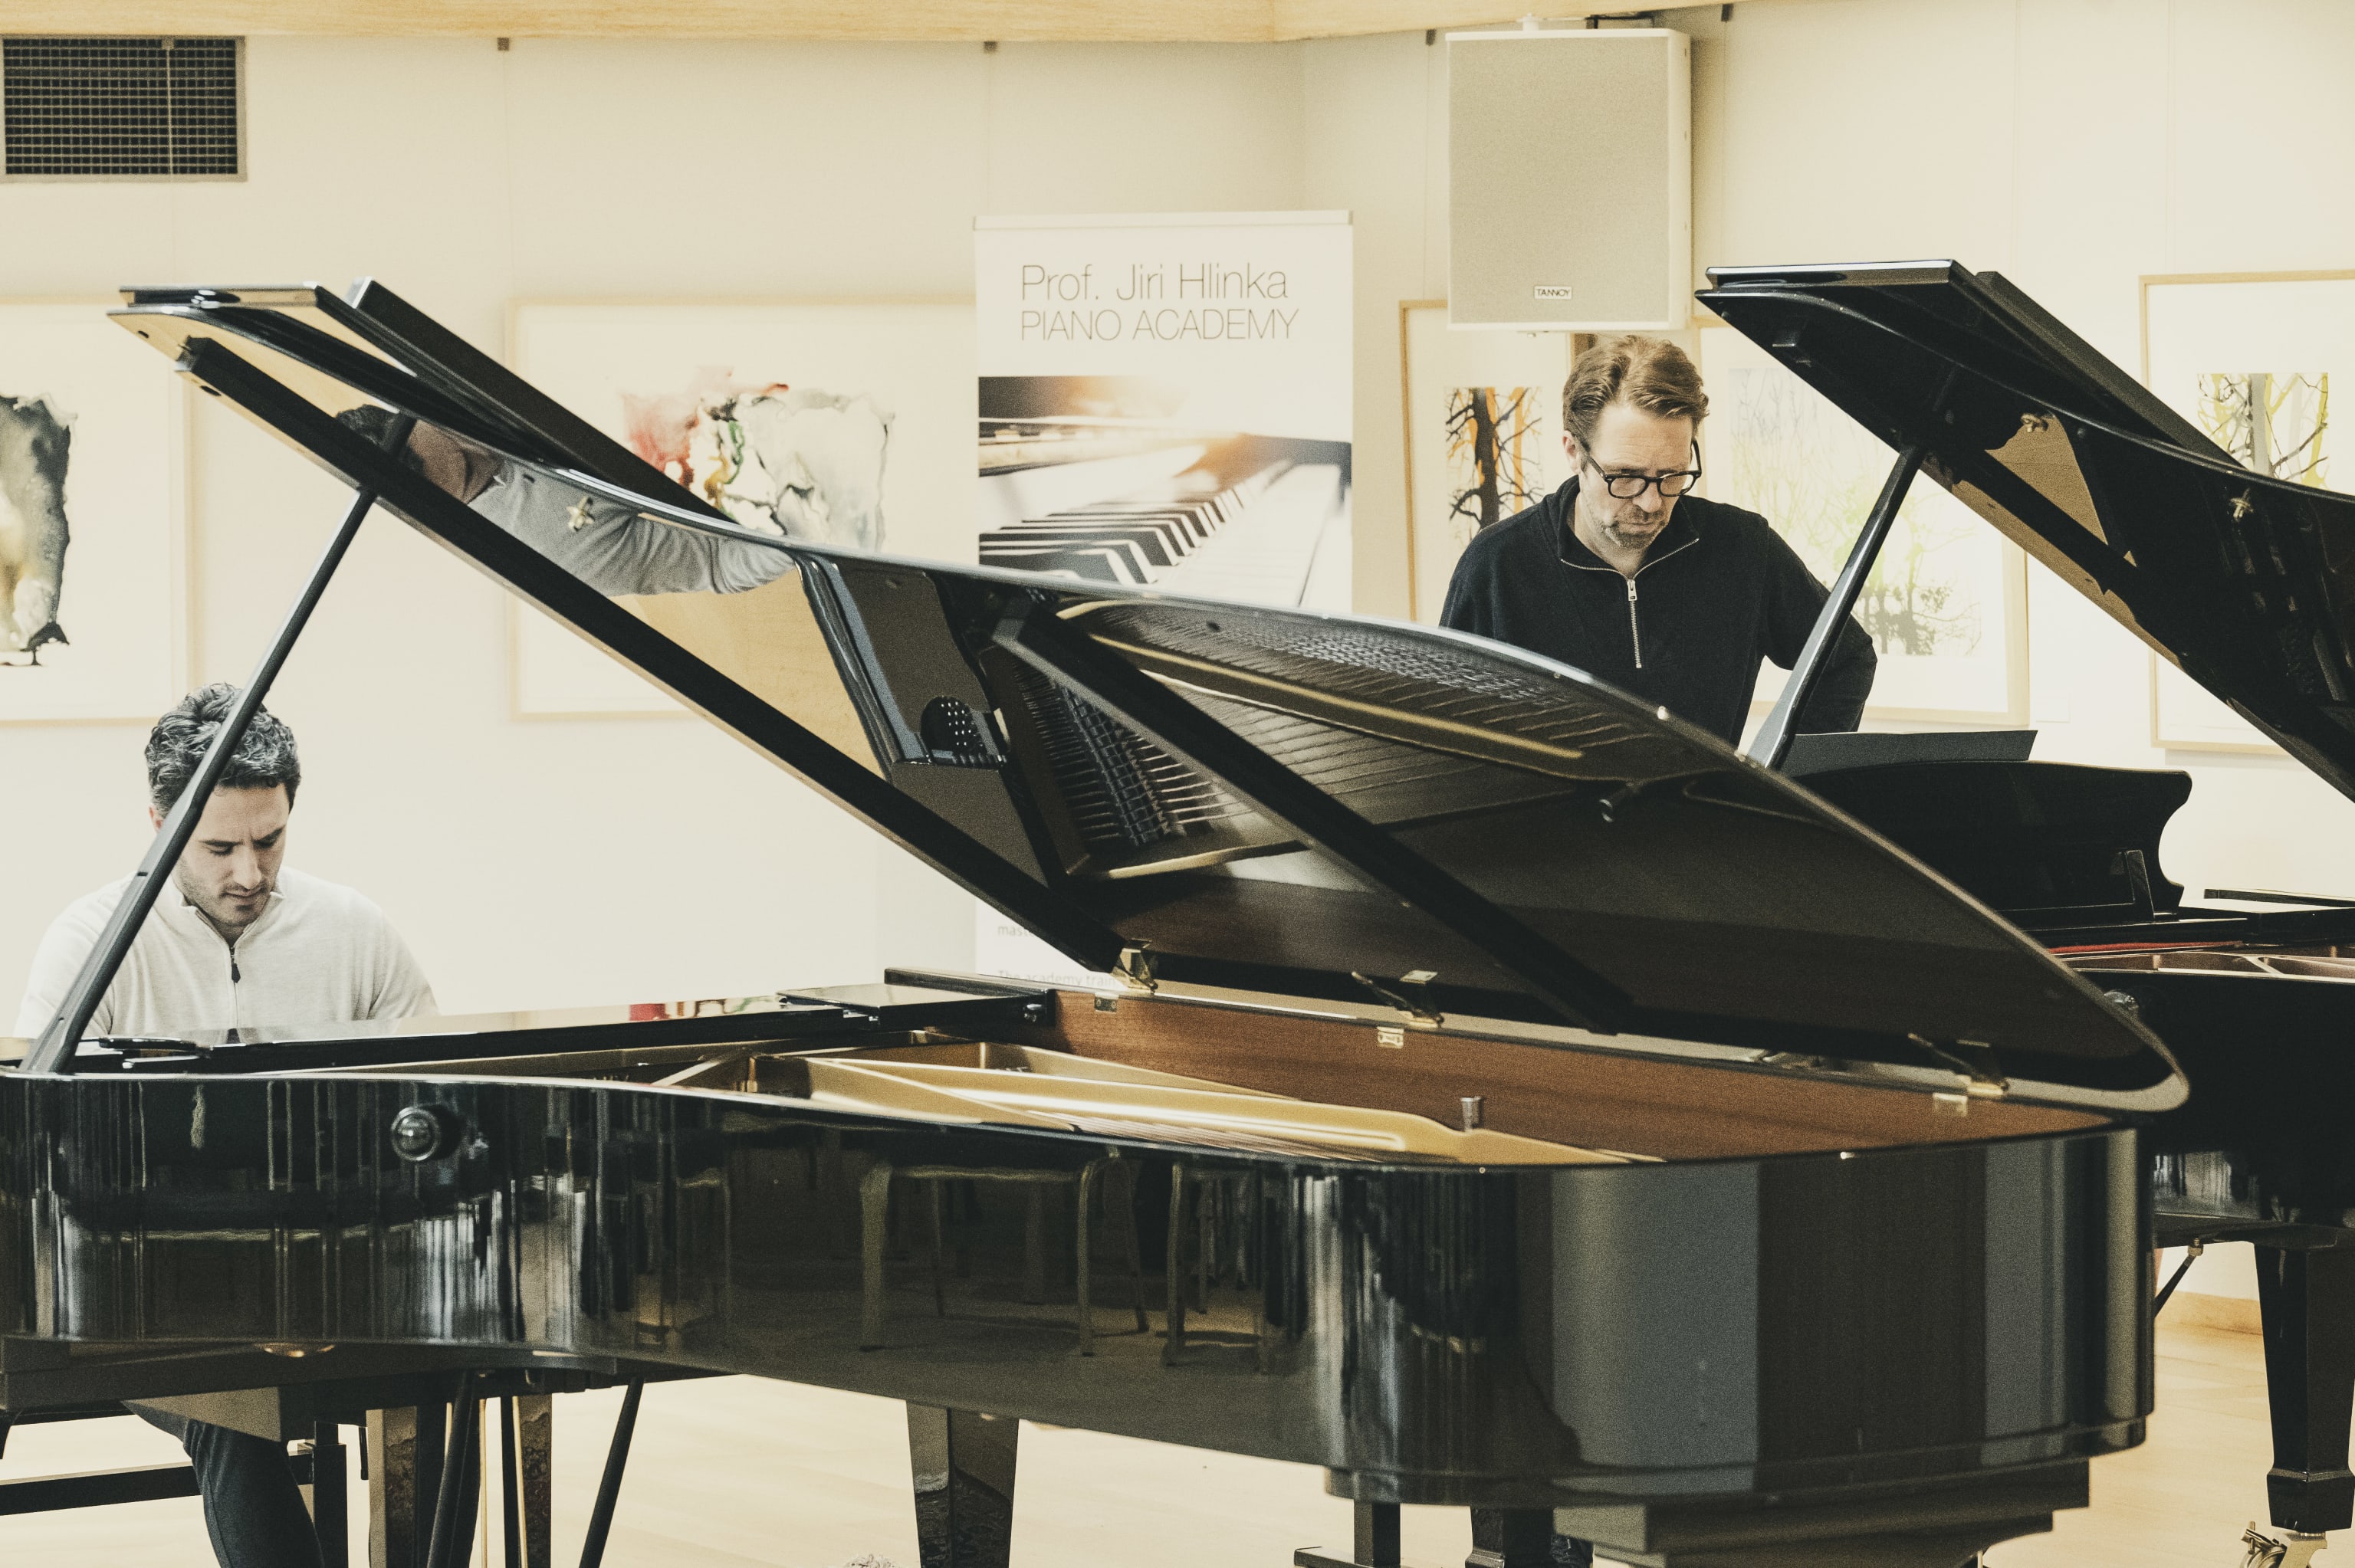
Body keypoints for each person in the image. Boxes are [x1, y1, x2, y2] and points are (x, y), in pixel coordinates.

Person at [15, 683, 436, 1568]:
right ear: (161, 821)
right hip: (144, 1291)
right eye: (219, 847)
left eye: (270, 840)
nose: (249, 872)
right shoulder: (91, 943)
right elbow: (50, 1153)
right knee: (232, 1397)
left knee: (443, 1376)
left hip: (326, 1269)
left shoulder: (355, 931)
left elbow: (426, 1104)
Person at [1441, 334, 1874, 747]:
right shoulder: (1496, 566)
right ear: (1573, 451)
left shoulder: (1743, 548)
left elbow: (1846, 660)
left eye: (1672, 475)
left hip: (1702, 822)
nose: (1651, 503)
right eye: (1626, 477)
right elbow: (1443, 727)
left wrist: (1779, 773)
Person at [335, 405, 794, 598]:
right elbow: (713, 565)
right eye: (414, 481)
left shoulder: (459, 385)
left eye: (411, 446)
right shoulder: (538, 557)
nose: (423, 467)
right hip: (792, 485)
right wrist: (802, 528)